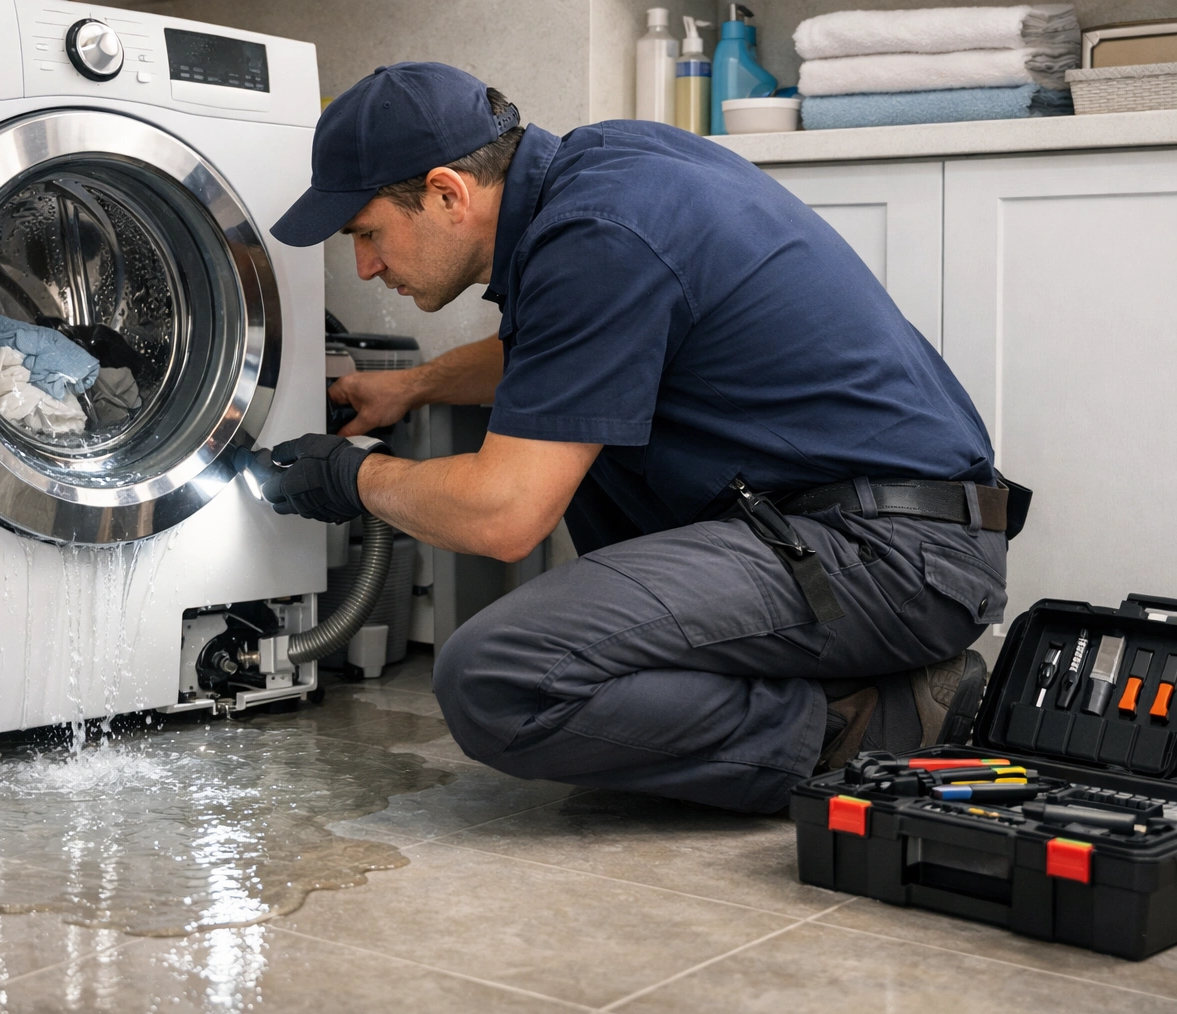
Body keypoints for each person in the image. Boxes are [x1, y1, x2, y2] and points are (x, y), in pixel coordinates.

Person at [261, 62, 1022, 813]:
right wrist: (412, 385)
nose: (363, 267)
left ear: (447, 193)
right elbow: (572, 359)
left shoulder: (596, 235)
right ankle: (862, 686)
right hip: (877, 534)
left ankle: (875, 722)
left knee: (498, 677)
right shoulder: (604, 171)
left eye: (368, 234)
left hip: (886, 554)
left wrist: (353, 477)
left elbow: (504, 514)